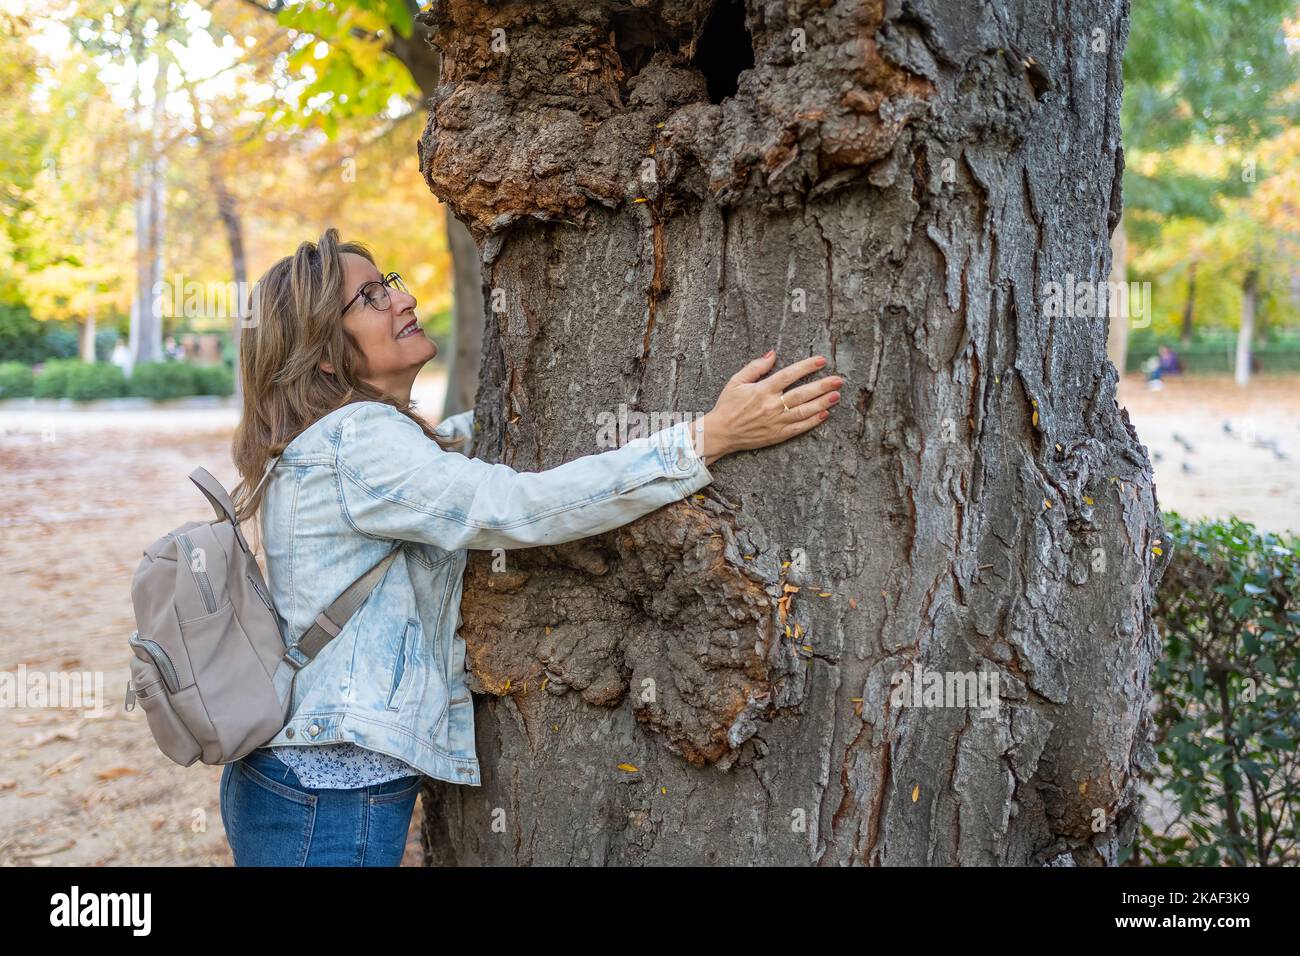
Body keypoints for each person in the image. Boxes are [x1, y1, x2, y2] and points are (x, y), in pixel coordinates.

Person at [218, 228, 842, 866]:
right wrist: (704, 439)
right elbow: (517, 507)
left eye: (390, 284)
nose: (401, 302)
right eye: (371, 298)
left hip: (305, 782)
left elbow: (451, 459)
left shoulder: (337, 440)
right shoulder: (358, 441)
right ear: (325, 353)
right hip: (326, 792)